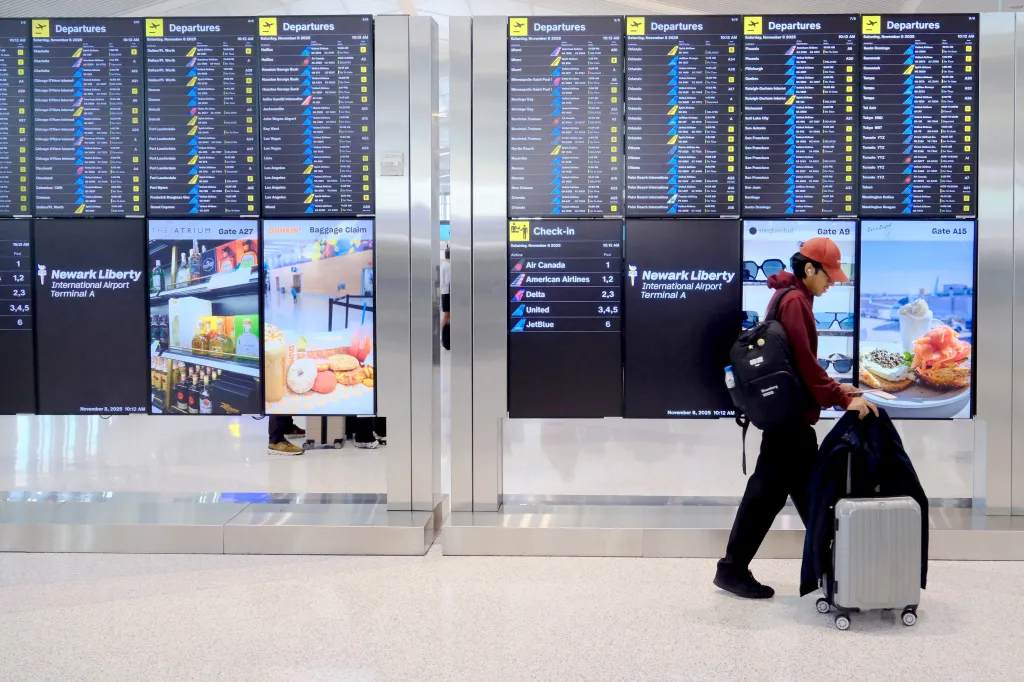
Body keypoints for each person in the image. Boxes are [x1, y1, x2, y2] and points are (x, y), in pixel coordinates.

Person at [714, 237, 878, 600]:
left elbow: (797, 364)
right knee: (790, 495)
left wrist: (838, 388)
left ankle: (827, 570)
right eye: (829, 274)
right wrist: (838, 396)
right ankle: (827, 571)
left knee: (787, 494)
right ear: (810, 269)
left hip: (786, 420)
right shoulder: (795, 302)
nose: (832, 281)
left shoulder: (789, 297)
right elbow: (803, 363)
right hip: (790, 424)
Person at [440, 245, 451, 349]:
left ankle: (444, 337)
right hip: (448, 293)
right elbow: (449, 281)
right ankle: (443, 338)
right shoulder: (448, 266)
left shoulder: (444, 264)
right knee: (447, 316)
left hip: (445, 293)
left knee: (447, 316)